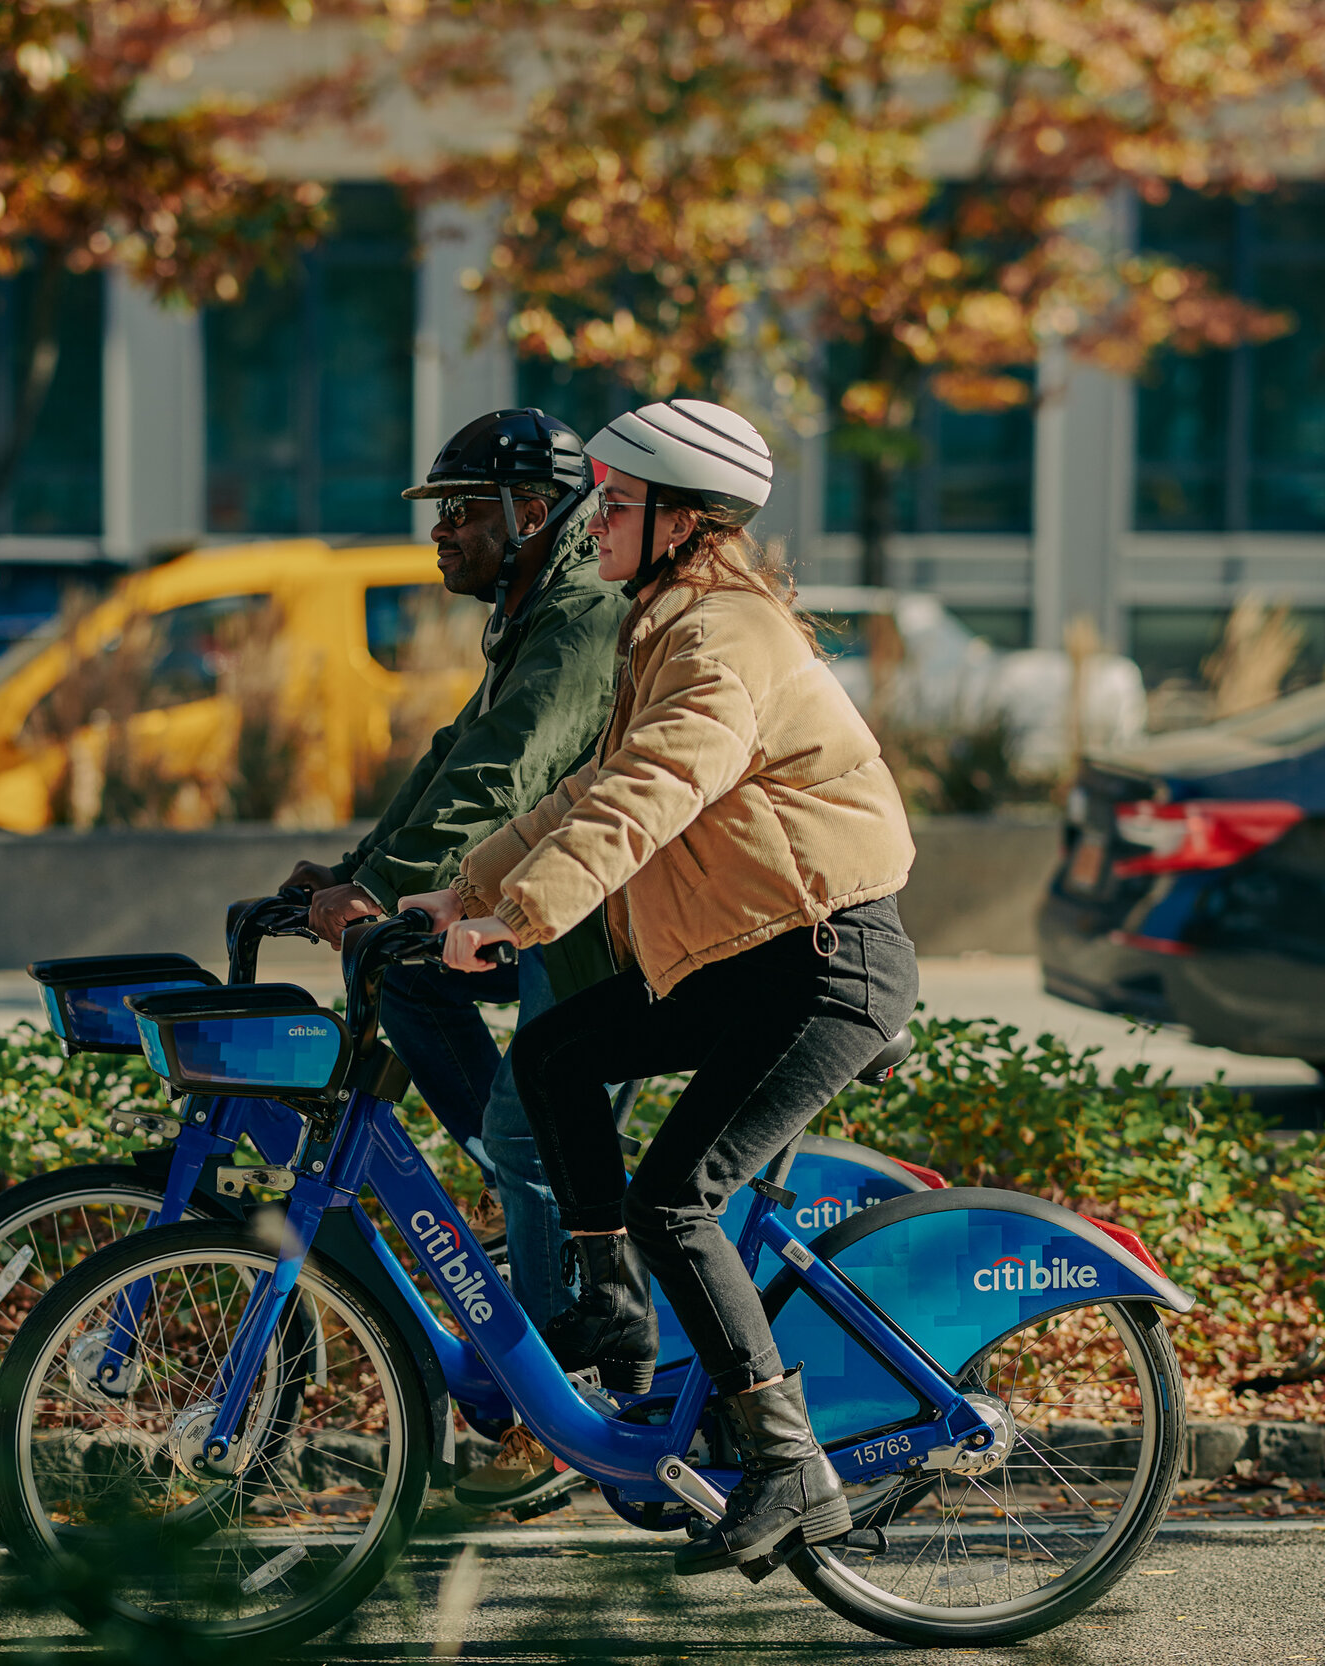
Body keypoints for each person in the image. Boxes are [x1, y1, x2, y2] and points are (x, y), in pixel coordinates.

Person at [408, 398, 918, 1577]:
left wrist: (519, 919)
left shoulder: (723, 638)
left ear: (686, 522)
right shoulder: (668, 624)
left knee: (677, 1194)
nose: (595, 526)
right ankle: (613, 1308)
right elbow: (589, 786)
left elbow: (657, 791)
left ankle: (790, 1463)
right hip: (749, 956)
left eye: (620, 506)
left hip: (826, 961)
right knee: (552, 1057)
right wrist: (457, 893)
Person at [279, 407, 631, 1509]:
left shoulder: (579, 616)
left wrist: (378, 891)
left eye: (465, 512)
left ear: (536, 512)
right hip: (541, 915)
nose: (445, 534)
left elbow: (509, 771)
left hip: (609, 927)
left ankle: (559, 1393)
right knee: (412, 982)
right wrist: (351, 873)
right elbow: (455, 756)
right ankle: (548, 1214)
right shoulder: (531, 609)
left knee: (527, 1125)